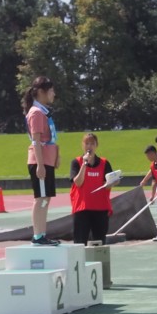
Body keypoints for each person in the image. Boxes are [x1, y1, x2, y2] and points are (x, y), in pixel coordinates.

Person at [22, 75, 61, 245]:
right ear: (42, 92)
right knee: (41, 198)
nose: (53, 94)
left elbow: (50, 138)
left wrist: (56, 157)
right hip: (41, 161)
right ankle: (38, 235)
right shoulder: (36, 113)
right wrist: (39, 165)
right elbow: (36, 140)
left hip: (47, 160)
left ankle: (42, 233)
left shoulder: (43, 112)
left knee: (46, 198)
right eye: (51, 90)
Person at [68, 132, 113, 244]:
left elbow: (108, 183)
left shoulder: (104, 163)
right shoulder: (76, 162)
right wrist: (84, 164)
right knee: (80, 242)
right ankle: (79, 262)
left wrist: (112, 182)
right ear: (83, 145)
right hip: (82, 208)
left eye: (92, 143)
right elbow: (78, 183)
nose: (89, 146)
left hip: (100, 208)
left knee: (99, 242)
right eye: (87, 143)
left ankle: (99, 261)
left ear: (96, 145)